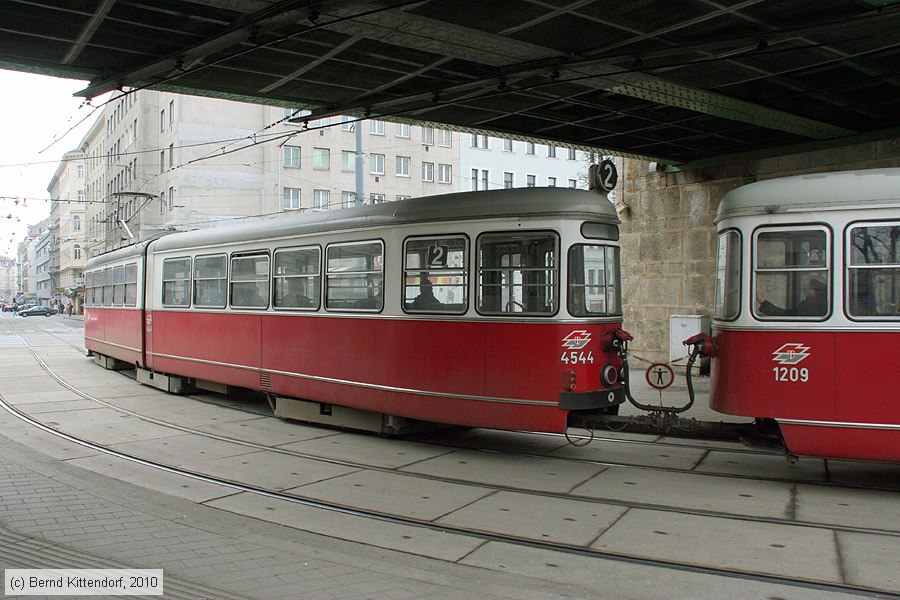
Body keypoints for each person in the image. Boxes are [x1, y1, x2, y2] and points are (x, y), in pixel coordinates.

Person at [757, 276, 827, 317]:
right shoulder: (825, 302)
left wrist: (762, 301)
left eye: (805, 288)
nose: (804, 291)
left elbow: (787, 317)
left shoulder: (812, 305)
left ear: (813, 289)